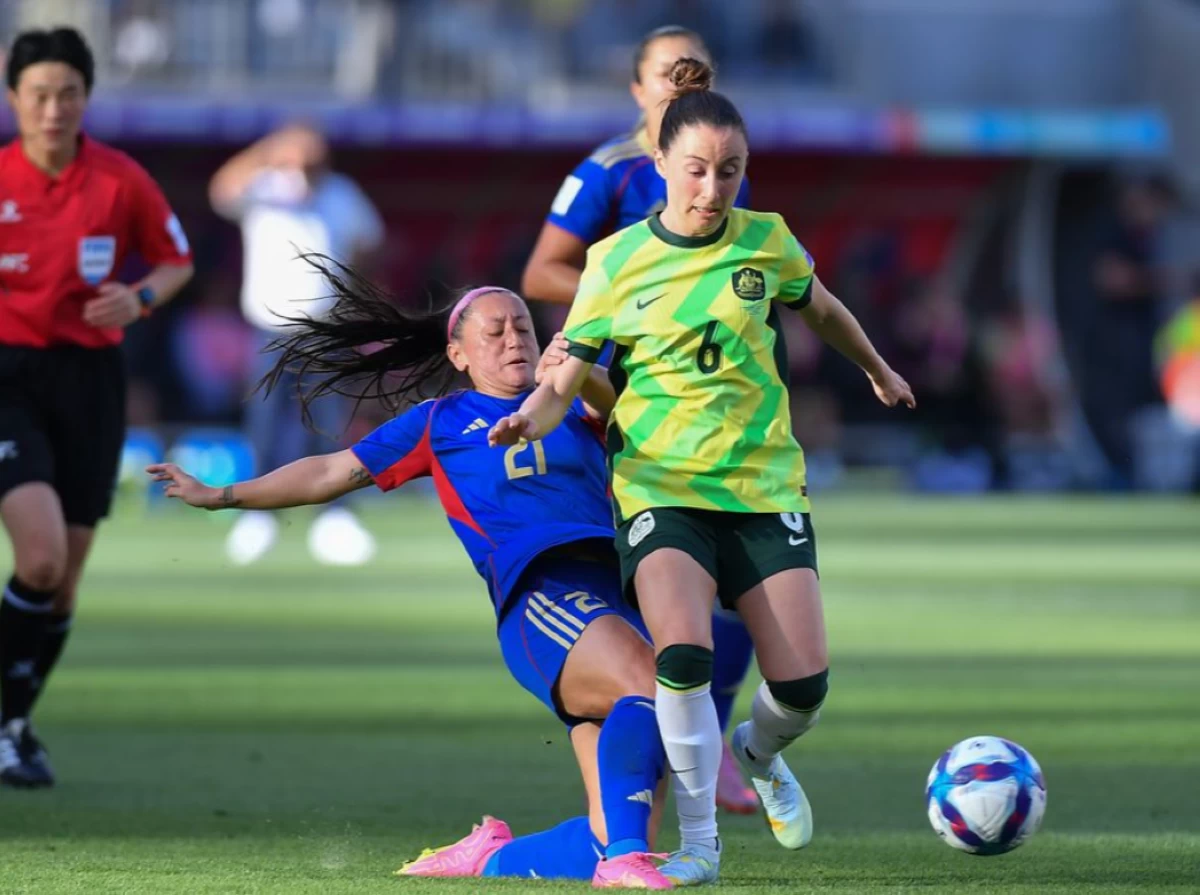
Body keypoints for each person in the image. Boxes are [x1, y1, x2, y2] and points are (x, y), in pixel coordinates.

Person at [493, 57, 915, 885]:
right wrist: (530, 417)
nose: (713, 188)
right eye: (696, 169)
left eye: (730, 170)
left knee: (803, 688)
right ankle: (698, 845)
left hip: (761, 485)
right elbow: (567, 374)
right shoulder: (615, 261)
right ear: (659, 163)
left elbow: (823, 309)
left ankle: (757, 751)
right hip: (660, 484)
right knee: (682, 657)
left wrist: (875, 367)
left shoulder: (767, 240)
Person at [147, 266, 687, 888]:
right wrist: (222, 495)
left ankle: (488, 857)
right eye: (495, 332)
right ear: (459, 355)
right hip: (544, 597)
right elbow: (331, 472)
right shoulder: (440, 421)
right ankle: (626, 864)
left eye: (522, 327)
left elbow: (636, 418)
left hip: (621, 596)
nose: (514, 339)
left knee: (606, 831)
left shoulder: (574, 404)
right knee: (656, 690)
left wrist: (579, 372)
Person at [522, 24, 758, 816]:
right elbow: (541, 271)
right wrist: (634, 291)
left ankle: (705, 749)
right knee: (655, 588)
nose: (683, 86)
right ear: (636, 89)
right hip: (622, 406)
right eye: (667, 74)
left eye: (698, 73)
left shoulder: (722, 167)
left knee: (739, 585)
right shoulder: (609, 170)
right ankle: (642, 772)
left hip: (711, 409)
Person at [0, 27, 194, 788]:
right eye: (39, 95)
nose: (53, 109)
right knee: (40, 557)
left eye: (68, 94)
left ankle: (14, 723)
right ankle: (6, 728)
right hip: (9, 377)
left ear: (86, 98)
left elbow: (175, 261)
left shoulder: (118, 178)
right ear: (14, 98)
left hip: (90, 380)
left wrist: (137, 297)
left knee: (64, 580)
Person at [209, 122, 384, 568]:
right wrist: (271, 150)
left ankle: (335, 516)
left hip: (325, 327)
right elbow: (221, 190)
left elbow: (368, 240)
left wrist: (347, 287)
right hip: (271, 328)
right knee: (264, 424)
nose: (306, 164)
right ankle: (257, 515)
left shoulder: (340, 192)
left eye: (313, 156)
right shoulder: (263, 185)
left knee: (330, 425)